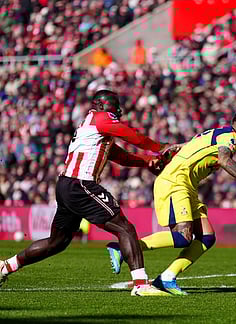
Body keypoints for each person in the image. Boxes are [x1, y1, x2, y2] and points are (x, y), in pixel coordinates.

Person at [0, 90, 178, 297]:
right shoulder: (100, 118)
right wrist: (160, 148)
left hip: (67, 184)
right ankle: (141, 284)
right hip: (80, 184)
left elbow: (122, 157)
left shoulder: (93, 130)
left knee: (57, 242)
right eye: (114, 107)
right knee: (125, 228)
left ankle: (6, 266)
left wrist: (147, 161)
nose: (116, 112)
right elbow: (132, 136)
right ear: (102, 106)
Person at [106, 107, 236, 295]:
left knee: (207, 237)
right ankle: (123, 248)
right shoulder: (230, 138)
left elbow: (194, 145)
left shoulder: (219, 132)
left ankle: (167, 278)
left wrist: (178, 146)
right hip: (175, 182)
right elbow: (224, 159)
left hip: (186, 185)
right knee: (183, 237)